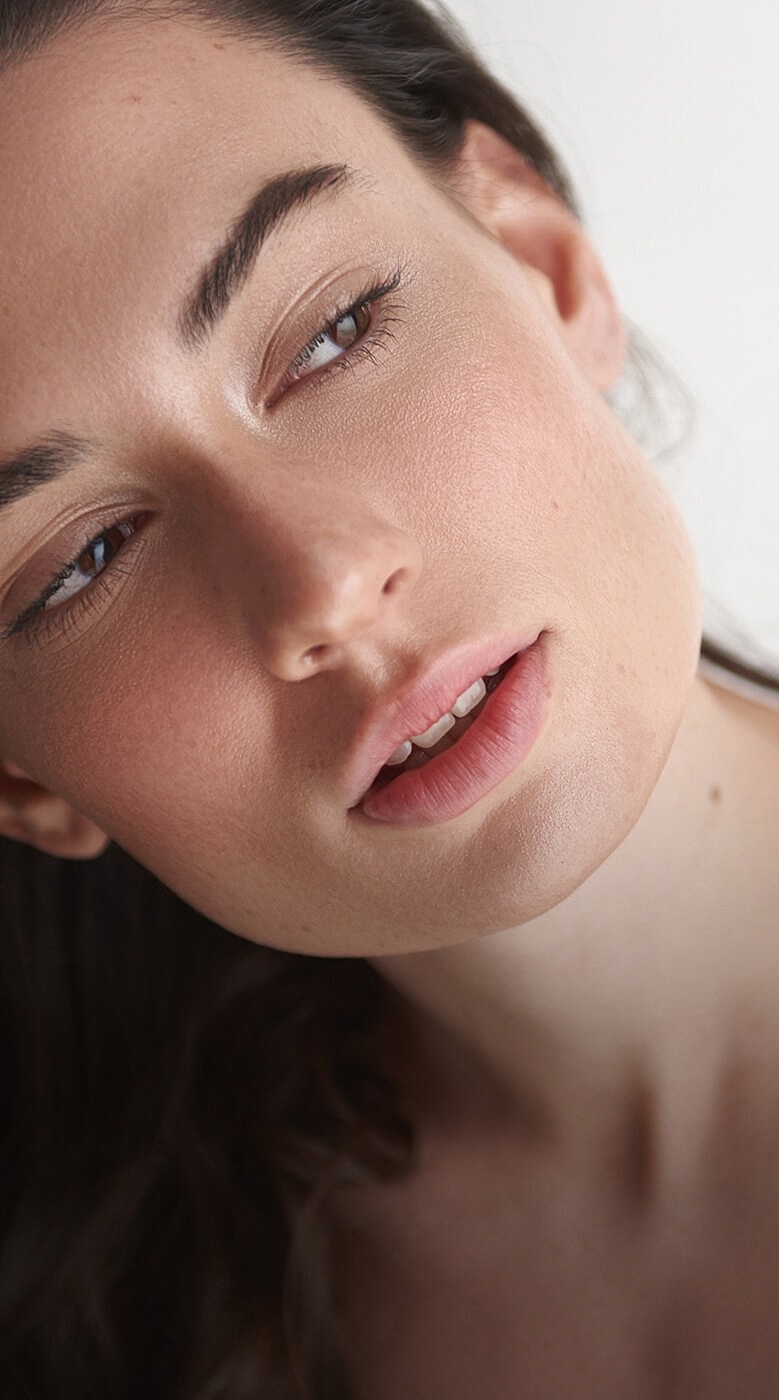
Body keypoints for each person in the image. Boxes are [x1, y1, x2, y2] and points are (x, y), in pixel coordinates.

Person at [0, 1, 777, 1395]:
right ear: (22, 783)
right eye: (83, 561)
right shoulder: (105, 1327)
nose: (322, 583)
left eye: (334, 331)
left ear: (544, 264)